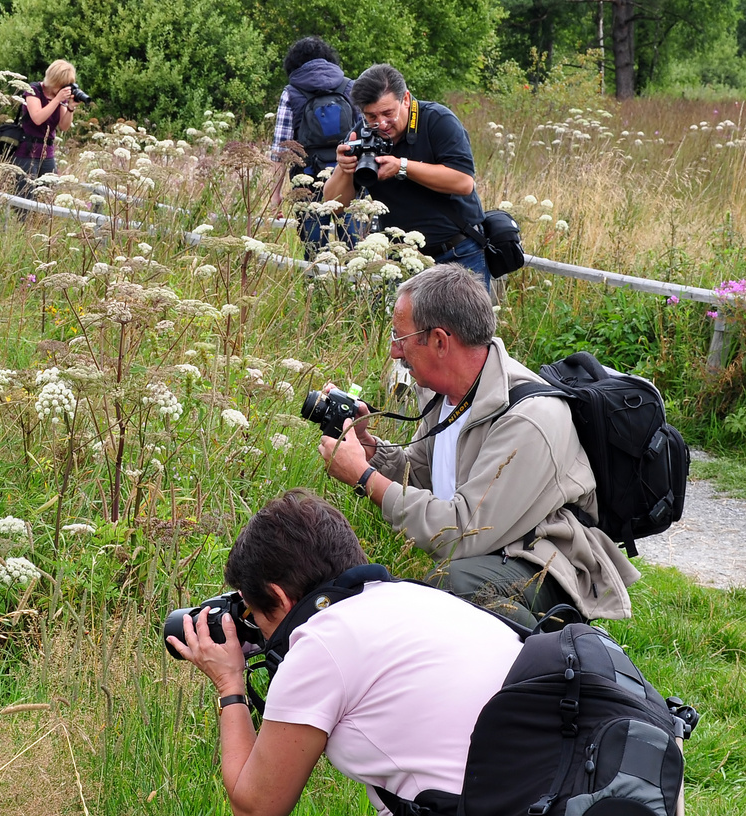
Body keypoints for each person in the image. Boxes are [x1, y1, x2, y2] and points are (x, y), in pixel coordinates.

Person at [167, 489, 577, 816]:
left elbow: (254, 807)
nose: (258, 631)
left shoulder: (321, 641)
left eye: (255, 615)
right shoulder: (415, 597)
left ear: (278, 596)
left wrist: (230, 685)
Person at [317, 263, 639, 623]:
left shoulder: (529, 419)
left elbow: (459, 534)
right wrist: (371, 451)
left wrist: (363, 477)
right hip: (492, 553)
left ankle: (549, 659)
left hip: (544, 565)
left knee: (452, 584)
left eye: (399, 337)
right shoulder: (445, 395)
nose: (394, 352)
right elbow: (426, 475)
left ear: (439, 340)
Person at [321, 64, 491, 286]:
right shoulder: (362, 136)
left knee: (465, 322)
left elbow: (463, 182)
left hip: (458, 253)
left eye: (388, 113)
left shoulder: (437, 121)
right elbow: (333, 206)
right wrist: (344, 168)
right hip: (403, 259)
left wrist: (402, 166)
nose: (381, 123)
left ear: (406, 100)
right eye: (371, 116)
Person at [268, 37, 359, 248]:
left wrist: (275, 196)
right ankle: (356, 282)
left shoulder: (291, 93)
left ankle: (315, 281)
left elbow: (281, 151)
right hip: (348, 176)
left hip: (307, 180)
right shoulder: (350, 87)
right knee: (356, 248)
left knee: (314, 246)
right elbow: (364, 137)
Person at [14, 60, 79, 188]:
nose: (64, 89)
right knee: (25, 198)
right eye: (62, 85)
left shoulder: (59, 97)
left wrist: (70, 107)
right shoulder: (34, 90)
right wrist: (57, 99)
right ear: (54, 81)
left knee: (47, 198)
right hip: (27, 152)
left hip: (47, 153)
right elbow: (37, 118)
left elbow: (64, 127)